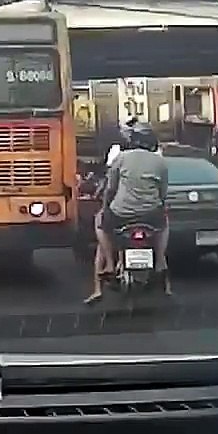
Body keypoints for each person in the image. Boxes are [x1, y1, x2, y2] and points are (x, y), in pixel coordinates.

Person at [86, 122, 171, 303]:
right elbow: (163, 193)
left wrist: (106, 205)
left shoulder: (122, 158)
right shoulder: (161, 162)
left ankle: (108, 265)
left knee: (100, 224)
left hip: (121, 213)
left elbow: (111, 188)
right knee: (164, 223)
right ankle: (160, 261)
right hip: (150, 214)